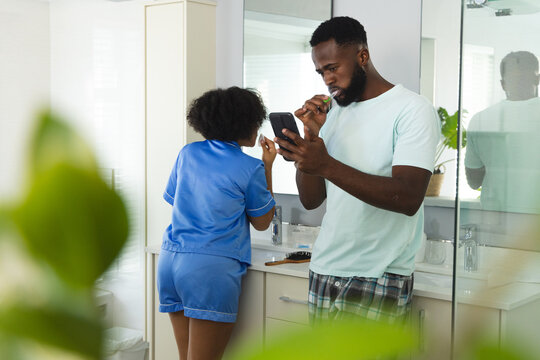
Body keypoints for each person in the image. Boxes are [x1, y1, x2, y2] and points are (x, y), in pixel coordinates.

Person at [273, 16, 440, 323]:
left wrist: (325, 163)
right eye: (321, 71)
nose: (326, 79)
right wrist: (312, 140)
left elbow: (407, 197)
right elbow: (311, 200)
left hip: (377, 275)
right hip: (325, 269)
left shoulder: (412, 110)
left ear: (362, 56)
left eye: (332, 68)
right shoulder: (333, 114)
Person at [157, 86, 277, 360]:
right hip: (209, 270)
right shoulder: (250, 168)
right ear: (245, 123)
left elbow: (175, 199)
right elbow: (262, 221)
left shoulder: (187, 153)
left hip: (171, 262)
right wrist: (267, 166)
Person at [465, 51, 540, 214]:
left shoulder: (480, 120)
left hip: (497, 223)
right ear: (537, 78)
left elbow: (473, 181)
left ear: (503, 83)